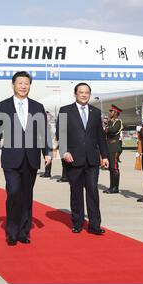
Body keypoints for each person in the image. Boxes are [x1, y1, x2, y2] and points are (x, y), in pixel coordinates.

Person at [0, 71, 52, 246]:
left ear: (30, 86)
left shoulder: (37, 106)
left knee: (26, 195)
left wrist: (47, 152)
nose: (23, 86)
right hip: (11, 158)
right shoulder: (3, 106)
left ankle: (23, 232)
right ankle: (11, 232)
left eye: (26, 83)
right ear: (13, 85)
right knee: (13, 193)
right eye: (20, 83)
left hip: (31, 158)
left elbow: (43, 132)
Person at [56, 82, 109, 235]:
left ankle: (94, 225)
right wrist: (64, 152)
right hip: (73, 159)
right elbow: (62, 133)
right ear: (75, 94)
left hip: (92, 160)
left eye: (87, 92)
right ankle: (78, 223)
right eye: (81, 92)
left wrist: (104, 156)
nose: (84, 95)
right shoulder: (65, 111)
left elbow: (100, 136)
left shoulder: (95, 112)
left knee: (92, 190)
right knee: (76, 192)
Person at [103, 105, 123, 194]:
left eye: (111, 111)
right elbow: (106, 130)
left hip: (114, 145)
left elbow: (113, 130)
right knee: (111, 168)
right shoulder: (110, 122)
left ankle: (115, 187)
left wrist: (107, 129)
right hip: (109, 146)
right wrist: (107, 129)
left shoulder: (118, 122)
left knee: (114, 167)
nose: (109, 113)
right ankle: (112, 186)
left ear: (115, 113)